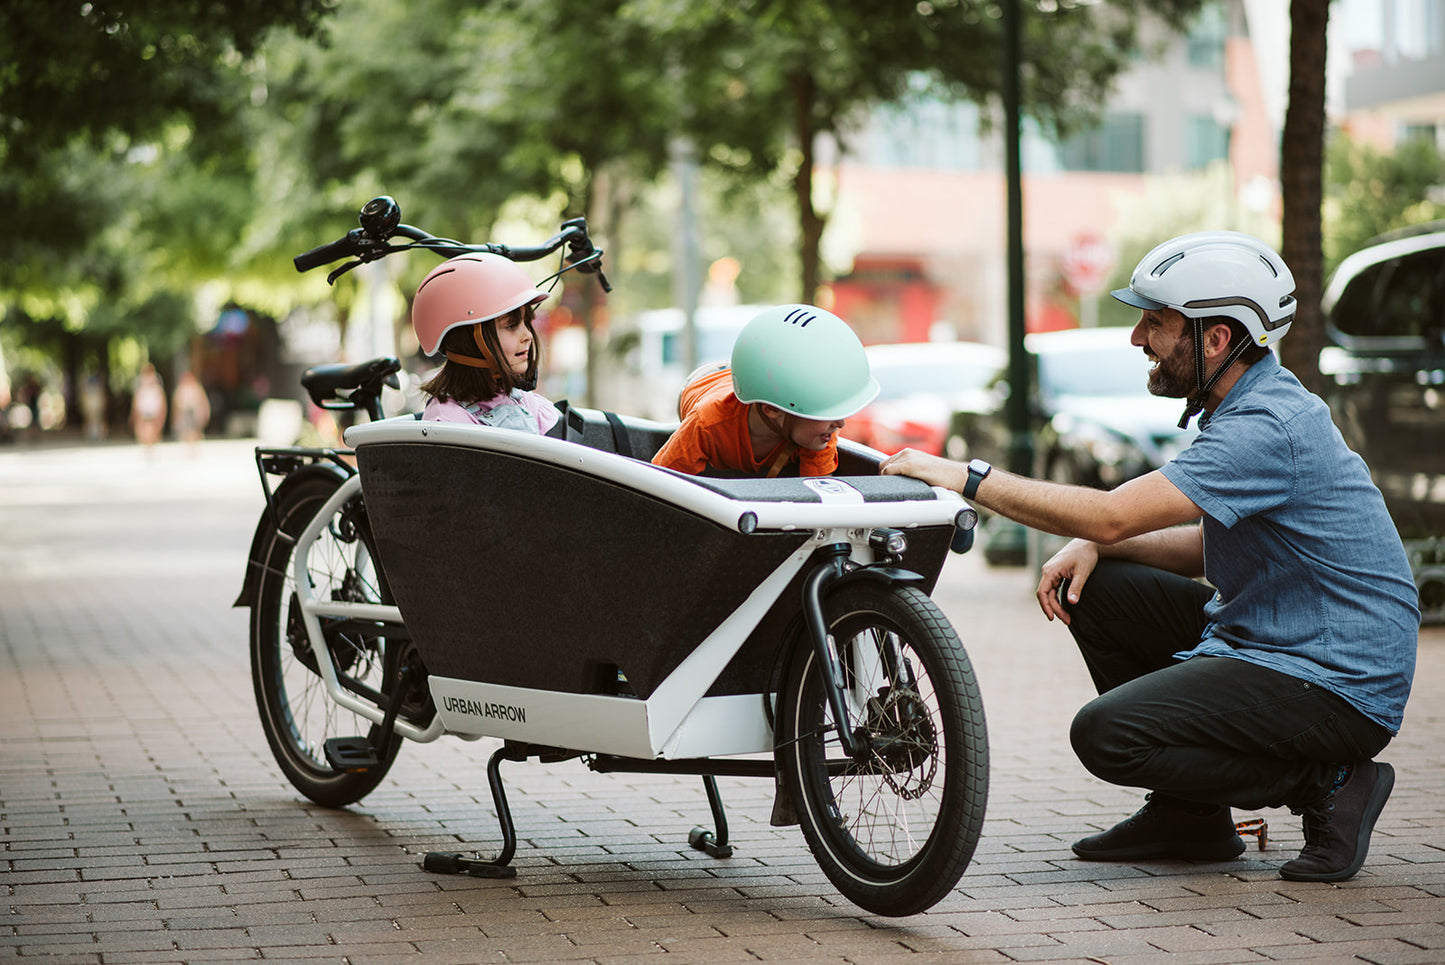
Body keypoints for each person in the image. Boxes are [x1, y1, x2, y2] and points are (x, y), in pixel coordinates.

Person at [880, 231, 1419, 883]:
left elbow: (1112, 512)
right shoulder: (1243, 406)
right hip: (1277, 638)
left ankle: (1327, 779)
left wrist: (962, 475)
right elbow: (1201, 544)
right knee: (1098, 584)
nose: (1137, 337)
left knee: (1108, 735)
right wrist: (1094, 544)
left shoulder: (1264, 425)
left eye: (1155, 322)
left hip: (1336, 680)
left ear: (1214, 339)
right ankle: (1187, 816)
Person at [651, 304, 878, 477]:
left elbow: (819, 497)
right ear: (771, 409)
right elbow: (661, 487)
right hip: (705, 381)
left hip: (760, 377)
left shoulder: (818, 429)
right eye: (828, 414)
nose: (840, 424)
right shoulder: (707, 424)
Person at [412, 253, 560, 434]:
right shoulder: (448, 423)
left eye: (526, 322)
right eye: (511, 325)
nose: (528, 335)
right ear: (467, 340)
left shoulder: (525, 402)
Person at [171, 370, 211, 451]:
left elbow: (203, 402)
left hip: (194, 412)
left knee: (194, 430)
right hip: (185, 412)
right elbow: (176, 404)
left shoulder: (197, 388)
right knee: (186, 431)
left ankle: (194, 447)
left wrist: (205, 414)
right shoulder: (180, 389)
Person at [130, 364, 167, 451]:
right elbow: (136, 403)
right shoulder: (140, 389)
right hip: (143, 414)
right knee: (144, 434)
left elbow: (162, 404)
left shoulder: (157, 389)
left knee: (153, 434)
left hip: (154, 414)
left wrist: (160, 417)